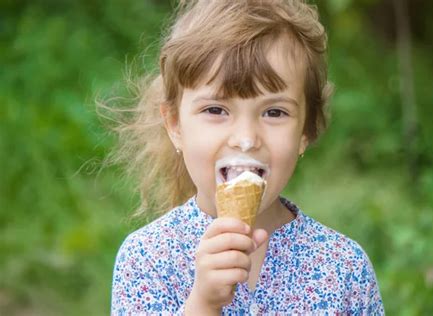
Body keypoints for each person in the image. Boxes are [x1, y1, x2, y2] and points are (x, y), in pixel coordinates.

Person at [110, 0, 384, 314]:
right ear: (174, 125)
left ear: (306, 132)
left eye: (274, 112)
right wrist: (202, 304)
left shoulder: (344, 268)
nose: (246, 139)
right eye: (216, 110)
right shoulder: (147, 258)